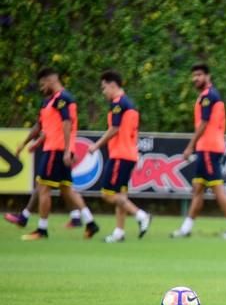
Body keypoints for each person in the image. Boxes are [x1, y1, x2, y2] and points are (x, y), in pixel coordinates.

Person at [15, 68, 100, 241]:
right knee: (67, 190)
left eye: (42, 84)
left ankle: (42, 229)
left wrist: (68, 150)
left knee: (44, 188)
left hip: (56, 149)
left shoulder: (62, 98)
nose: (41, 88)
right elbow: (44, 128)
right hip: (56, 148)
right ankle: (91, 223)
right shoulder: (52, 101)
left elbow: (67, 123)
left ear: (51, 80)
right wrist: (28, 143)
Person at [170, 63, 226, 239]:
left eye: (199, 75)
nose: (196, 78)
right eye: (194, 76)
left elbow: (204, 123)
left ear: (208, 76)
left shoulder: (208, 96)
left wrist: (190, 146)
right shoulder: (206, 95)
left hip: (209, 148)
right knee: (198, 188)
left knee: (217, 188)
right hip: (206, 148)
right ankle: (186, 228)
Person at [89, 70, 151, 243]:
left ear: (113, 85)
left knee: (107, 194)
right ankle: (119, 232)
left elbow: (115, 128)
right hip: (129, 154)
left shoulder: (118, 103)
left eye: (104, 88)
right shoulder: (129, 104)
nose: (103, 92)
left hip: (120, 155)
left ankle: (141, 215)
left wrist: (96, 145)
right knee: (120, 196)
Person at [5, 134, 87, 229]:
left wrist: (31, 143)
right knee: (63, 188)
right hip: (61, 150)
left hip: (56, 151)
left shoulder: (61, 120)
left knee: (44, 185)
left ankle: (32, 222)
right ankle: (78, 218)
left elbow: (47, 128)